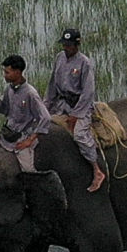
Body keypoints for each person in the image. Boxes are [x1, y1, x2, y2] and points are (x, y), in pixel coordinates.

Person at [47, 28, 105, 192]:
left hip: (80, 105)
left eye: (69, 45)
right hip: (61, 103)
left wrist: (76, 115)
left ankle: (96, 169)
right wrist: (46, 106)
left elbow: (88, 92)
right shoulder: (59, 58)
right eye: (64, 44)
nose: (66, 47)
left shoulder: (84, 63)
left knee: (80, 135)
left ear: (77, 45)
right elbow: (52, 85)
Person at [0, 55, 50, 173]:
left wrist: (30, 140)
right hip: (7, 134)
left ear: (17, 72)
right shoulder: (10, 89)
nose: (5, 75)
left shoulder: (30, 94)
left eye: (7, 72)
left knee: (28, 170)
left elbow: (46, 118)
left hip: (22, 137)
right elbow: (3, 107)